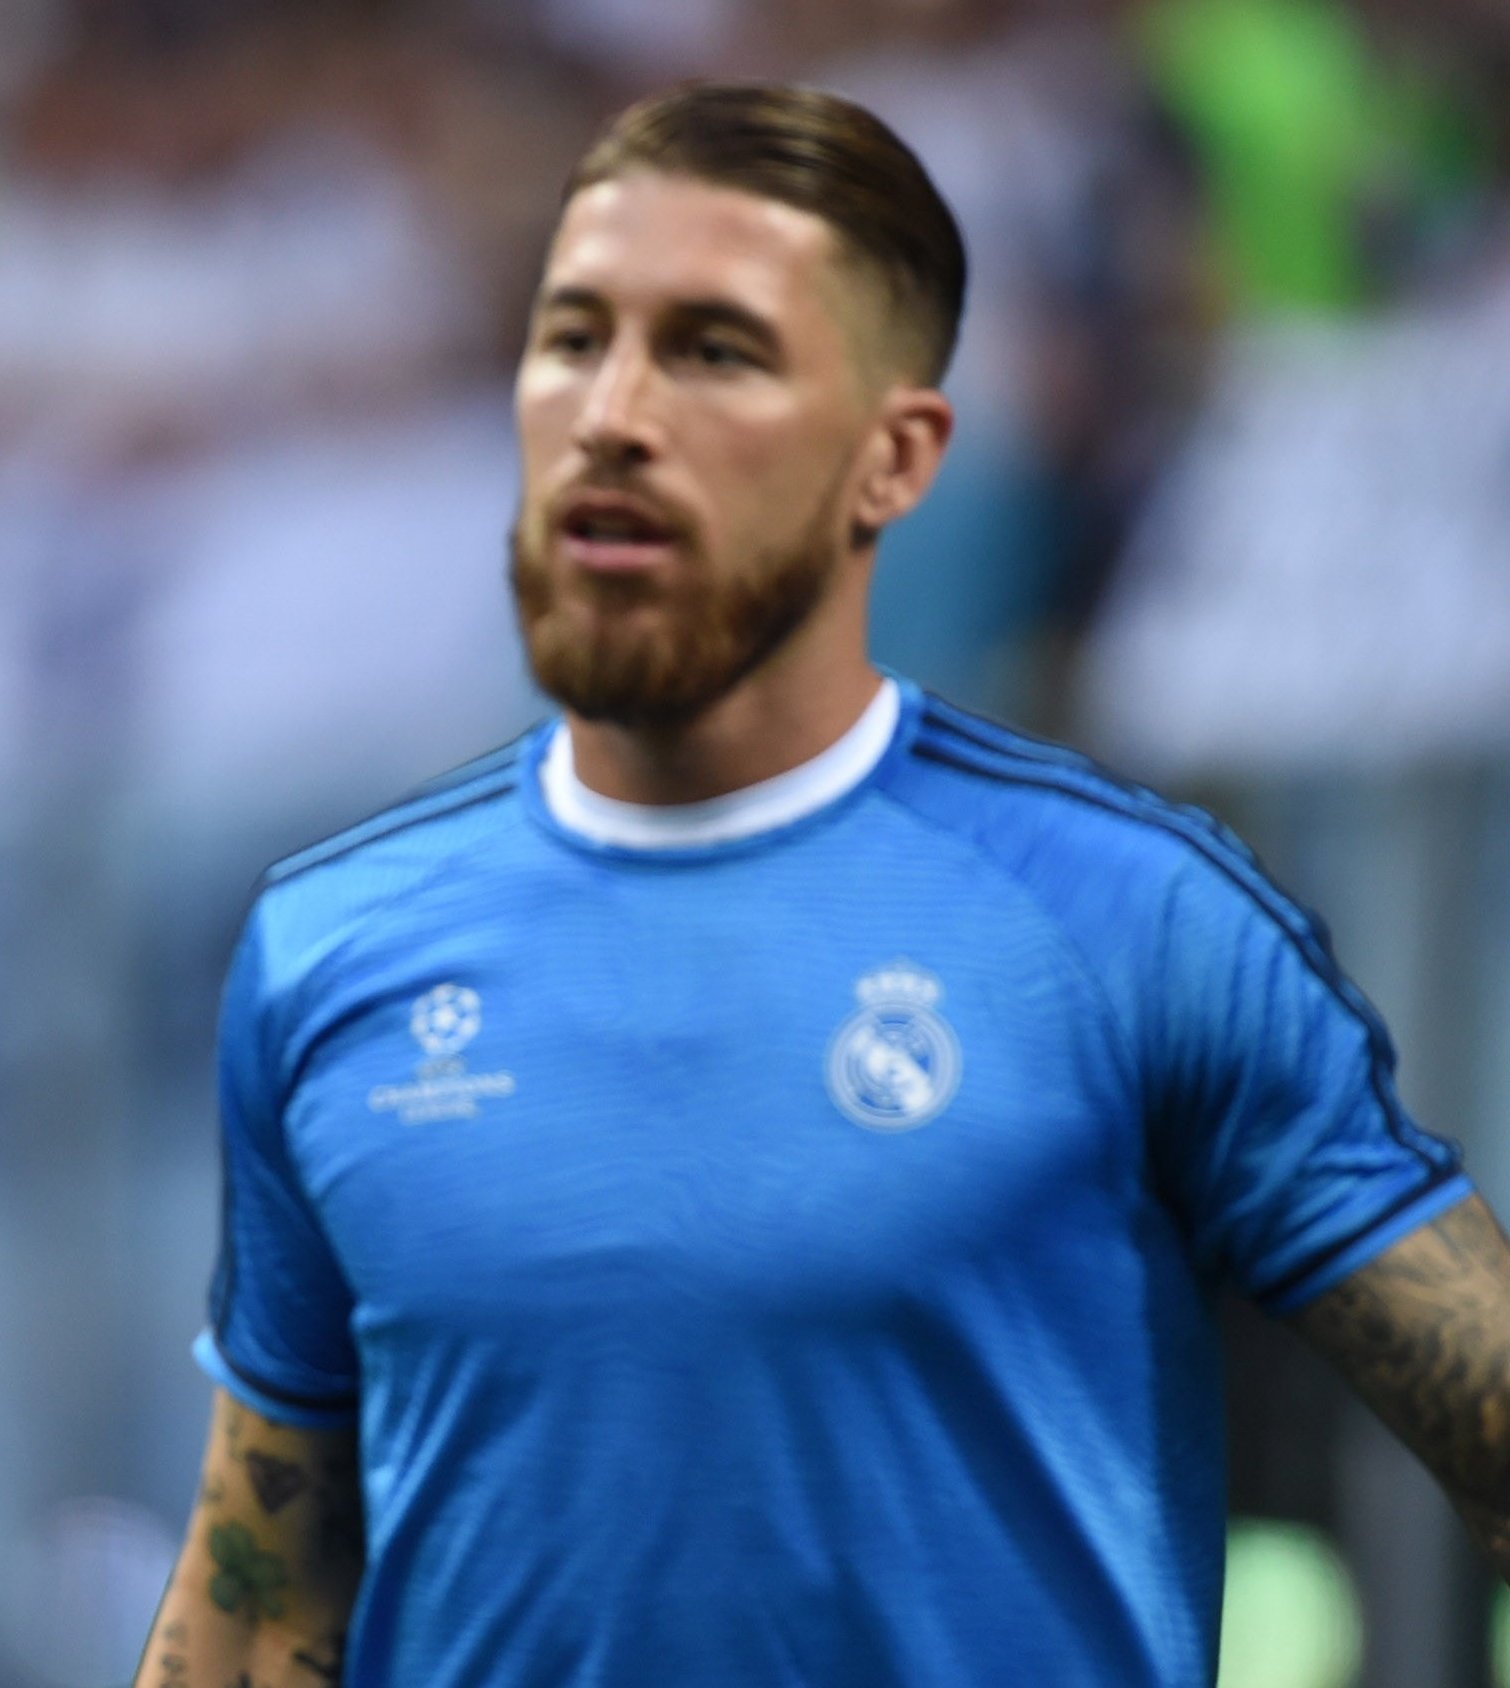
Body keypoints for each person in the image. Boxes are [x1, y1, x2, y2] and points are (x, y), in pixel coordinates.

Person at [138, 81, 1510, 1687]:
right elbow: (260, 1586)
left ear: (894, 458)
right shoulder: (331, 952)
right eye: (574, 338)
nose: (614, 413)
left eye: (716, 352)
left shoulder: (1136, 923)